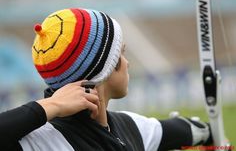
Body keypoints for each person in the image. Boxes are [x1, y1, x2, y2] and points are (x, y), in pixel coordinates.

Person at [0, 8, 212, 151]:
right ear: (105, 69)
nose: (127, 63)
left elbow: (187, 130)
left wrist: (211, 135)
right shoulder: (41, 142)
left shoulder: (131, 127)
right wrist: (52, 105)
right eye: (121, 53)